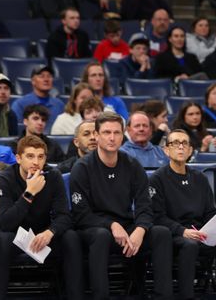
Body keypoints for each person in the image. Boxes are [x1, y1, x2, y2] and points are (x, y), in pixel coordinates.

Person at [70, 112, 173, 300]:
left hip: (126, 228)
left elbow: (144, 206)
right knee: (100, 236)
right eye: (107, 132)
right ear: (97, 135)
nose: (112, 138)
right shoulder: (82, 167)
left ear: (123, 134)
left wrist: (140, 230)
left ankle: (163, 295)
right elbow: (81, 214)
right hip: (94, 228)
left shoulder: (132, 165)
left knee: (161, 233)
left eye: (116, 133)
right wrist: (111, 225)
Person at [149, 129, 216, 299]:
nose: (180, 147)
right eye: (175, 143)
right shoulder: (157, 179)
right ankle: (187, 296)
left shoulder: (200, 178)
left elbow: (210, 211)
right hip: (174, 235)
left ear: (190, 151)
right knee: (190, 245)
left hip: (202, 234)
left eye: (184, 143)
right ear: (166, 150)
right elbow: (157, 216)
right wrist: (183, 231)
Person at [0, 135, 84, 300]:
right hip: (14, 232)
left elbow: (64, 216)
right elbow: (5, 222)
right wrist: (29, 194)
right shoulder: (4, 179)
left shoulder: (53, 176)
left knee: (71, 237)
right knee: (3, 240)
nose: (36, 162)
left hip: (42, 233)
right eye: (30, 156)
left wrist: (50, 232)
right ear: (18, 158)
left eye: (40, 157)